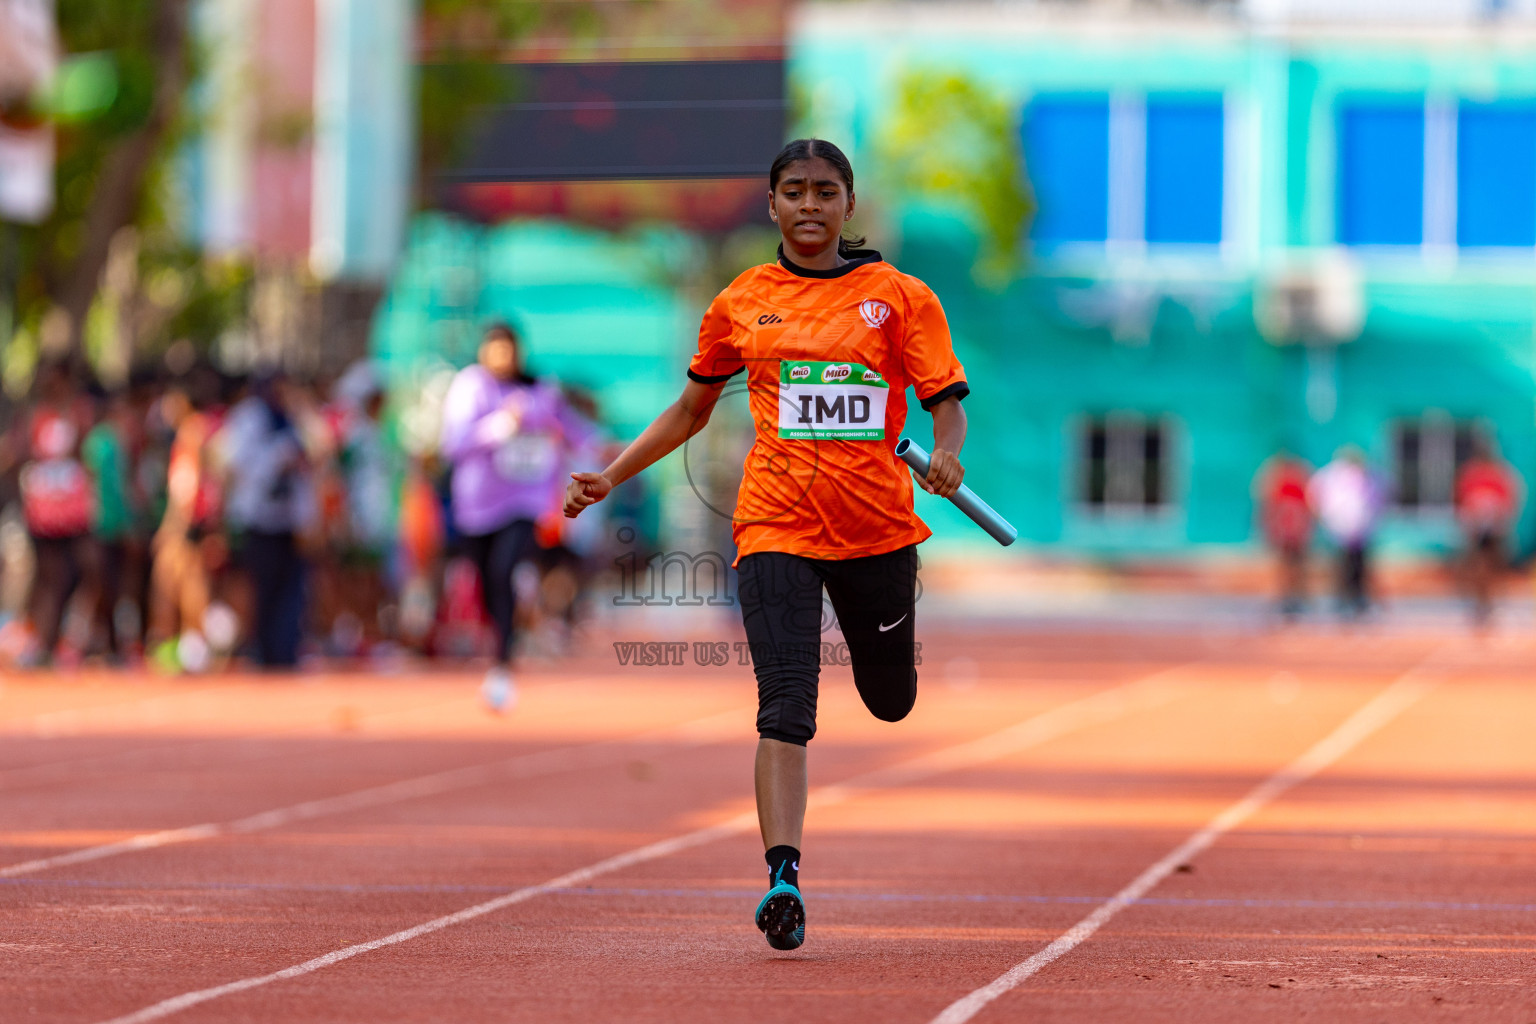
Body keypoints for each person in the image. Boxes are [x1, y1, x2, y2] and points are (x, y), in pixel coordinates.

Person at [563, 138, 970, 952]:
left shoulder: (898, 296)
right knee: (785, 706)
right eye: (795, 191)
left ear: (848, 206)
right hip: (774, 525)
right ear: (774, 204)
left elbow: (944, 399)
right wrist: (610, 475)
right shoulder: (742, 301)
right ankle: (782, 874)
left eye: (825, 191)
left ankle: (882, 666)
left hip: (879, 533)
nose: (810, 205)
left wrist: (949, 449)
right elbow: (689, 412)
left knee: (891, 699)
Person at [440, 322, 596, 711]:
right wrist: (499, 427)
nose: (504, 358)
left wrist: (603, 447)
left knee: (504, 569)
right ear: (483, 352)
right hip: (476, 506)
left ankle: (502, 663)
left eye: (510, 350)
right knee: (485, 578)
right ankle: (500, 639)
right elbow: (453, 443)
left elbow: (571, 428)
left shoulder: (540, 388)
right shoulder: (469, 387)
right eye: (496, 349)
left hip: (524, 501)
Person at [222, 371, 314, 668]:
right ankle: (260, 649)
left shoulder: (293, 419)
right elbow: (237, 465)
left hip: (287, 522)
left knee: (291, 591)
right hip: (258, 519)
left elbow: (309, 466)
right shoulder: (248, 419)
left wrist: (307, 519)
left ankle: (284, 649)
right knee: (261, 590)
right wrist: (277, 460)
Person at [1307, 446, 1383, 619]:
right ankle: (1341, 600)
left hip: (1361, 530)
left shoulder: (1368, 475)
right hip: (1338, 530)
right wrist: (1327, 520)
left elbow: (1377, 499)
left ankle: (1358, 599)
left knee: (1358, 567)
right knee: (1340, 567)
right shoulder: (1331, 475)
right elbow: (1317, 497)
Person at [1454, 436, 1522, 625]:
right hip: (1476, 529)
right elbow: (1461, 501)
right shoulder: (1471, 475)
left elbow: (1510, 500)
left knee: (1493, 567)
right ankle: (1481, 604)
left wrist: (1502, 521)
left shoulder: (1499, 475)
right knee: (1477, 568)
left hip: (1495, 529)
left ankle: (1491, 603)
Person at [1254, 452, 1312, 618]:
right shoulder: (1275, 479)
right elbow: (1268, 505)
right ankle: (1285, 598)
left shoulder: (1299, 479)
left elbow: (1307, 505)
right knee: (1284, 565)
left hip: (1296, 529)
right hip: (1284, 529)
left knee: (1296, 565)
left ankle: (1296, 598)